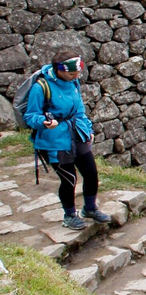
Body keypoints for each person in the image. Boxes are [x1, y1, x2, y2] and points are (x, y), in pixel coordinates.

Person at [23, 51, 111, 230]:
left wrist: (87, 129)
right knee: (69, 179)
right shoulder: (41, 88)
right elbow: (30, 116)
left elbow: (79, 110)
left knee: (91, 173)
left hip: (76, 134)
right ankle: (69, 215)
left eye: (77, 73)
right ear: (59, 70)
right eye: (71, 74)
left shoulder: (73, 83)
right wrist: (44, 122)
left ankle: (90, 208)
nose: (76, 76)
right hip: (54, 140)